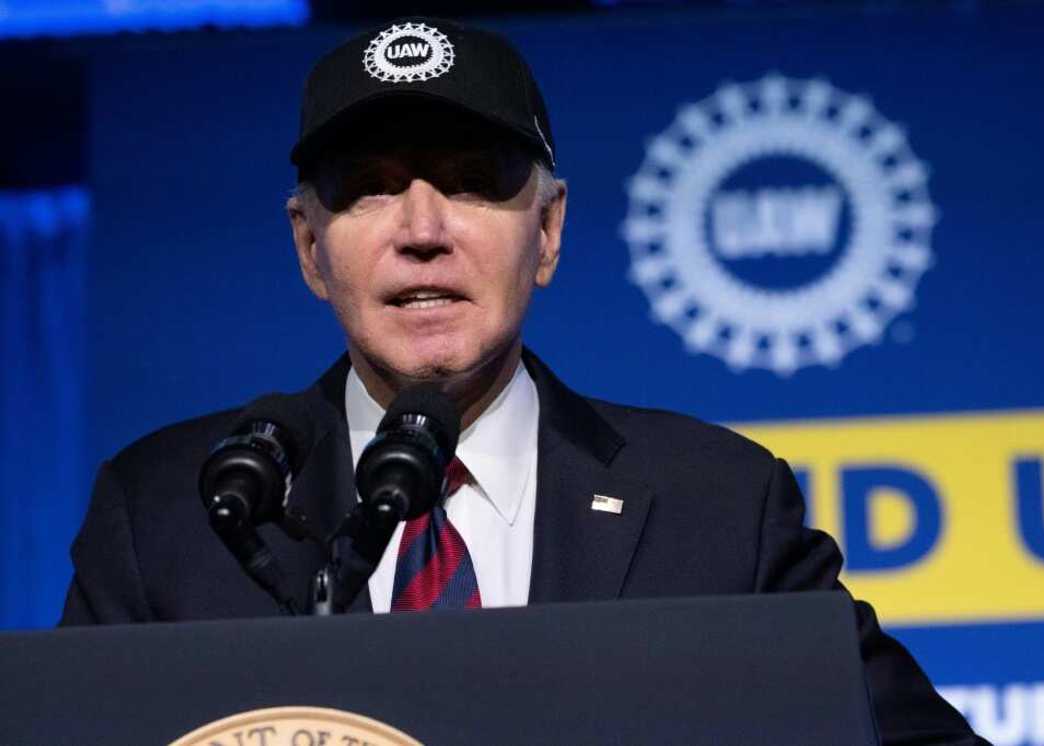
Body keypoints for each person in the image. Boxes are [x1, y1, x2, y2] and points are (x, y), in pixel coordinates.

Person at [61, 16, 987, 745]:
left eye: (470, 183)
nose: (422, 227)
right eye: (372, 187)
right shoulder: (172, 516)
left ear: (546, 234)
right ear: (311, 246)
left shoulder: (721, 508)